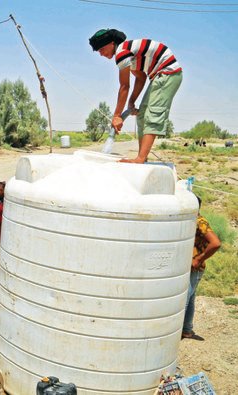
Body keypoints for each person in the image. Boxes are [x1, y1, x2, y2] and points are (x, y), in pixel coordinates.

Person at [89, 28, 182, 164]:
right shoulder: (129, 54)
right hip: (158, 76)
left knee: (152, 115)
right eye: (99, 51)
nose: (101, 54)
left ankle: (140, 159)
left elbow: (124, 86)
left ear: (112, 43)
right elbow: (141, 77)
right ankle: (141, 157)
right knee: (142, 116)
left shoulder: (122, 53)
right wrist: (131, 102)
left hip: (168, 73)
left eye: (102, 49)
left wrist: (116, 116)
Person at [182, 195, 221, 340]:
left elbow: (216, 243)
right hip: (194, 267)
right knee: (191, 297)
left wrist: (198, 259)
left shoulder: (200, 221)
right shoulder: (192, 220)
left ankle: (174, 334)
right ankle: (186, 330)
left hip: (195, 266)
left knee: (183, 299)